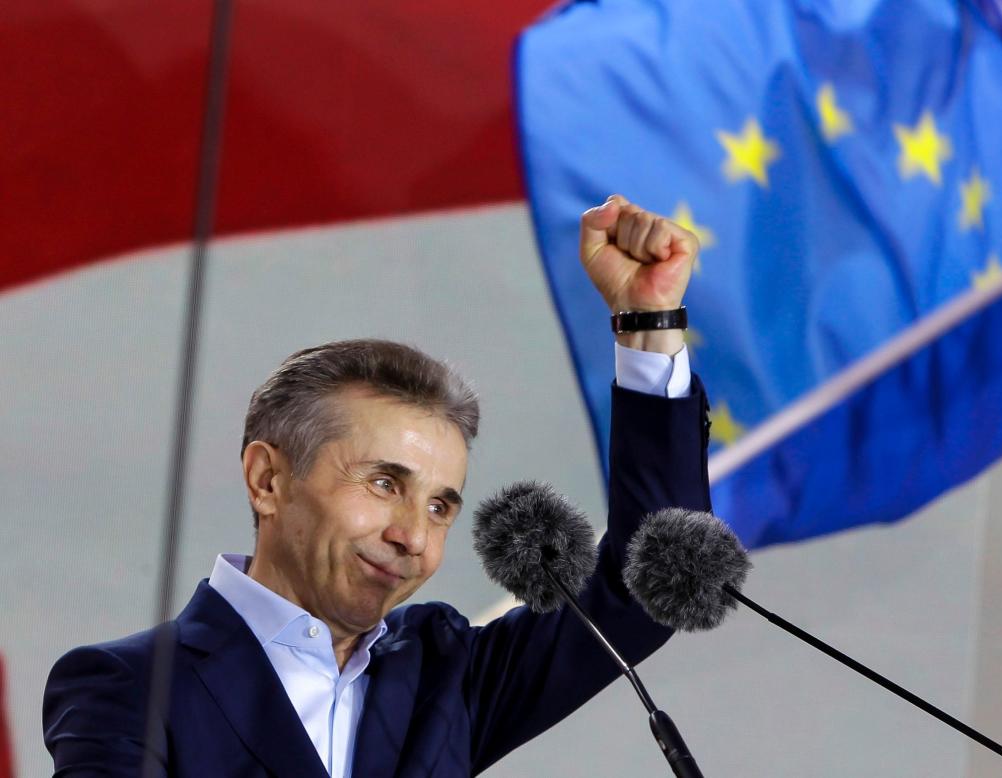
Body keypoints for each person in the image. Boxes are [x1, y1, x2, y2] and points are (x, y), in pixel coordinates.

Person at [43, 196, 711, 777]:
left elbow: (649, 584)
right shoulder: (128, 685)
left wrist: (646, 321)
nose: (412, 537)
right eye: (384, 482)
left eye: (440, 505)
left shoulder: (441, 676)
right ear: (268, 479)